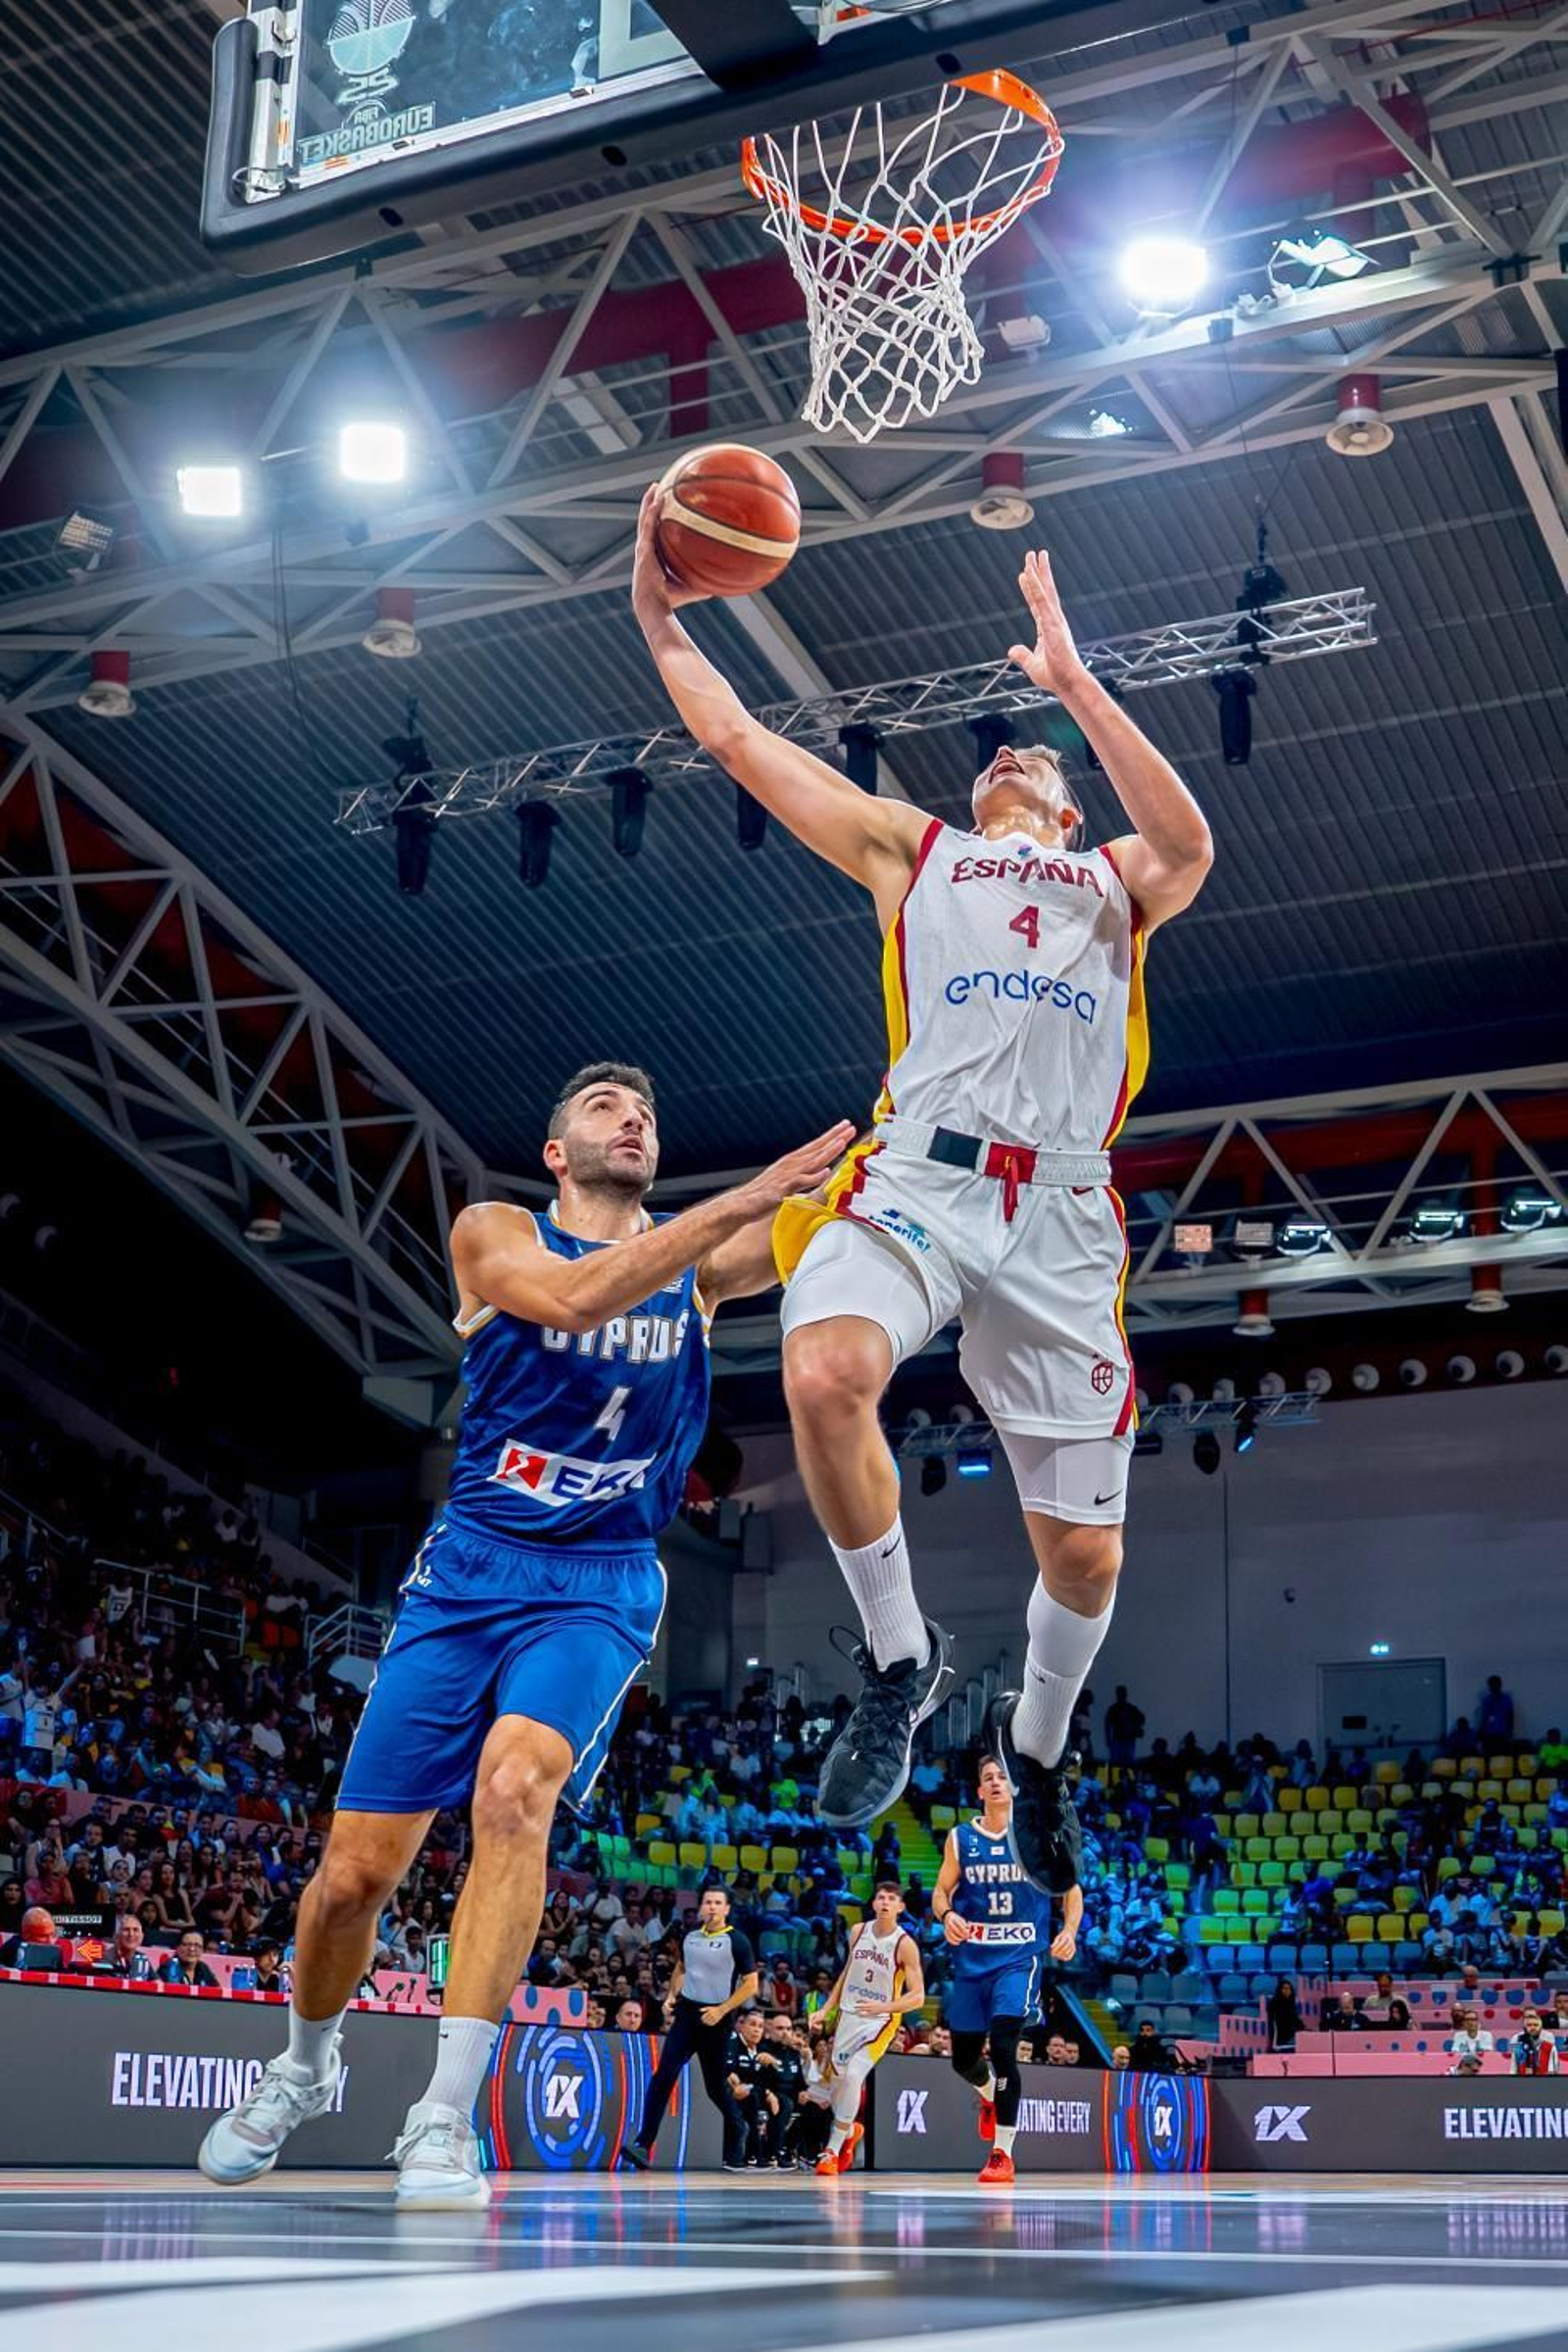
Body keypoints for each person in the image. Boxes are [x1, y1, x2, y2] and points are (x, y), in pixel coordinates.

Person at [633, 506, 1213, 1893]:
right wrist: (661, 622)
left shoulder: (1113, 881)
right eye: (1006, 749)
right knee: (825, 1367)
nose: (1014, 755)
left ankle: (1045, 1749)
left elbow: (1189, 845)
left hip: (1063, 1218)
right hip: (920, 1178)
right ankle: (899, 1664)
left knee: (1082, 1560)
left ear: (1071, 812)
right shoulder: (917, 852)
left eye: (1042, 761)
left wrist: (1074, 684)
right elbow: (739, 744)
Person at [199, 1066, 848, 2207]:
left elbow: (826, 1231)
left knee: (515, 1790)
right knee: (354, 1878)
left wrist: (909, 1142)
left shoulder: (695, 1265)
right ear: (558, 1152)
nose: (632, 1118)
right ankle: (303, 2069)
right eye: (604, 1109)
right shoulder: (494, 1230)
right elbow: (580, 1300)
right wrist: (741, 1204)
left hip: (597, 1579)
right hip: (467, 1572)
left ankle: (443, 2117)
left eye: (644, 1109)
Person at [934, 1754, 1080, 2187]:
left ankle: (1002, 2153)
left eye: (1003, 1777)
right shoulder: (960, 1838)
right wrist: (946, 1917)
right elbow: (941, 1892)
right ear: (978, 1791)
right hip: (972, 1959)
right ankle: (990, 2097)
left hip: (1019, 1957)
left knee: (1002, 2046)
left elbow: (1071, 1889)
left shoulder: (1035, 1836)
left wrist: (1069, 1930)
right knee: (963, 2060)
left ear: (1014, 1788)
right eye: (988, 1778)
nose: (996, 1782)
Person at [620, 1885, 760, 2169]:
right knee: (664, 2076)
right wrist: (672, 1995)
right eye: (707, 1902)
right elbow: (682, 1969)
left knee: (715, 2088)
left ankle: (738, 2127)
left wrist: (722, 2010)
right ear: (701, 1907)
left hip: (717, 2019)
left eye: (717, 1903)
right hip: (687, 2015)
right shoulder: (690, 1937)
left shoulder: (737, 1941)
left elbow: (751, 1984)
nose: (711, 1907)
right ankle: (644, 2144)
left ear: (727, 1909)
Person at [803, 1882, 925, 2178]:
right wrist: (825, 2009)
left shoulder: (904, 1943)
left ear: (900, 1907)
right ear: (873, 1903)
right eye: (880, 1897)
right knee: (839, 2084)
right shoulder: (857, 1931)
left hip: (879, 2021)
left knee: (855, 2075)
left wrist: (884, 2008)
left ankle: (831, 2150)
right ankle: (849, 2134)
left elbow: (917, 1996)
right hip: (848, 2014)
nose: (885, 1902)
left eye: (892, 1899)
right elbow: (847, 1974)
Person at [1511, 2007, 1560, 2076]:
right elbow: (1514, 2066)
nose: (1533, 2027)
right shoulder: (1516, 2039)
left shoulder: (1549, 2039)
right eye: (1527, 2018)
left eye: (1535, 2024)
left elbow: (1552, 2066)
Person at [1446, 2004, 1493, 2076]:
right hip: (1463, 2069)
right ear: (1463, 2023)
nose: (1470, 2022)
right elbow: (1455, 2053)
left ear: (1477, 2022)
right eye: (1467, 2020)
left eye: (1473, 2020)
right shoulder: (1458, 2036)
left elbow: (1486, 2054)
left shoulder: (1486, 2035)